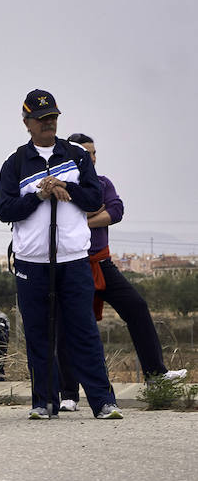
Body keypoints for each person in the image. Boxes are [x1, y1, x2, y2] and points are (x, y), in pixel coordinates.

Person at [0, 89, 122, 420]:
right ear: (27, 123)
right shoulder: (15, 163)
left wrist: (69, 189)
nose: (48, 123)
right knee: (39, 333)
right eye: (41, 119)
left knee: (83, 330)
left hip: (73, 259)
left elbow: (95, 199)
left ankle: (103, 401)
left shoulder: (76, 156)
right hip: (31, 262)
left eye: (52, 117)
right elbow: (5, 209)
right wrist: (40, 195)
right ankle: (44, 403)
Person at [57, 133, 186, 411]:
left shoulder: (102, 183)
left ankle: (155, 375)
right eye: (86, 153)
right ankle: (68, 393)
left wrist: (81, 219)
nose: (91, 158)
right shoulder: (63, 187)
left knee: (137, 308)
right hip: (73, 264)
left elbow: (115, 211)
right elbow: (61, 222)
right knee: (70, 327)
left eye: (94, 153)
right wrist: (90, 215)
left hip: (102, 263)